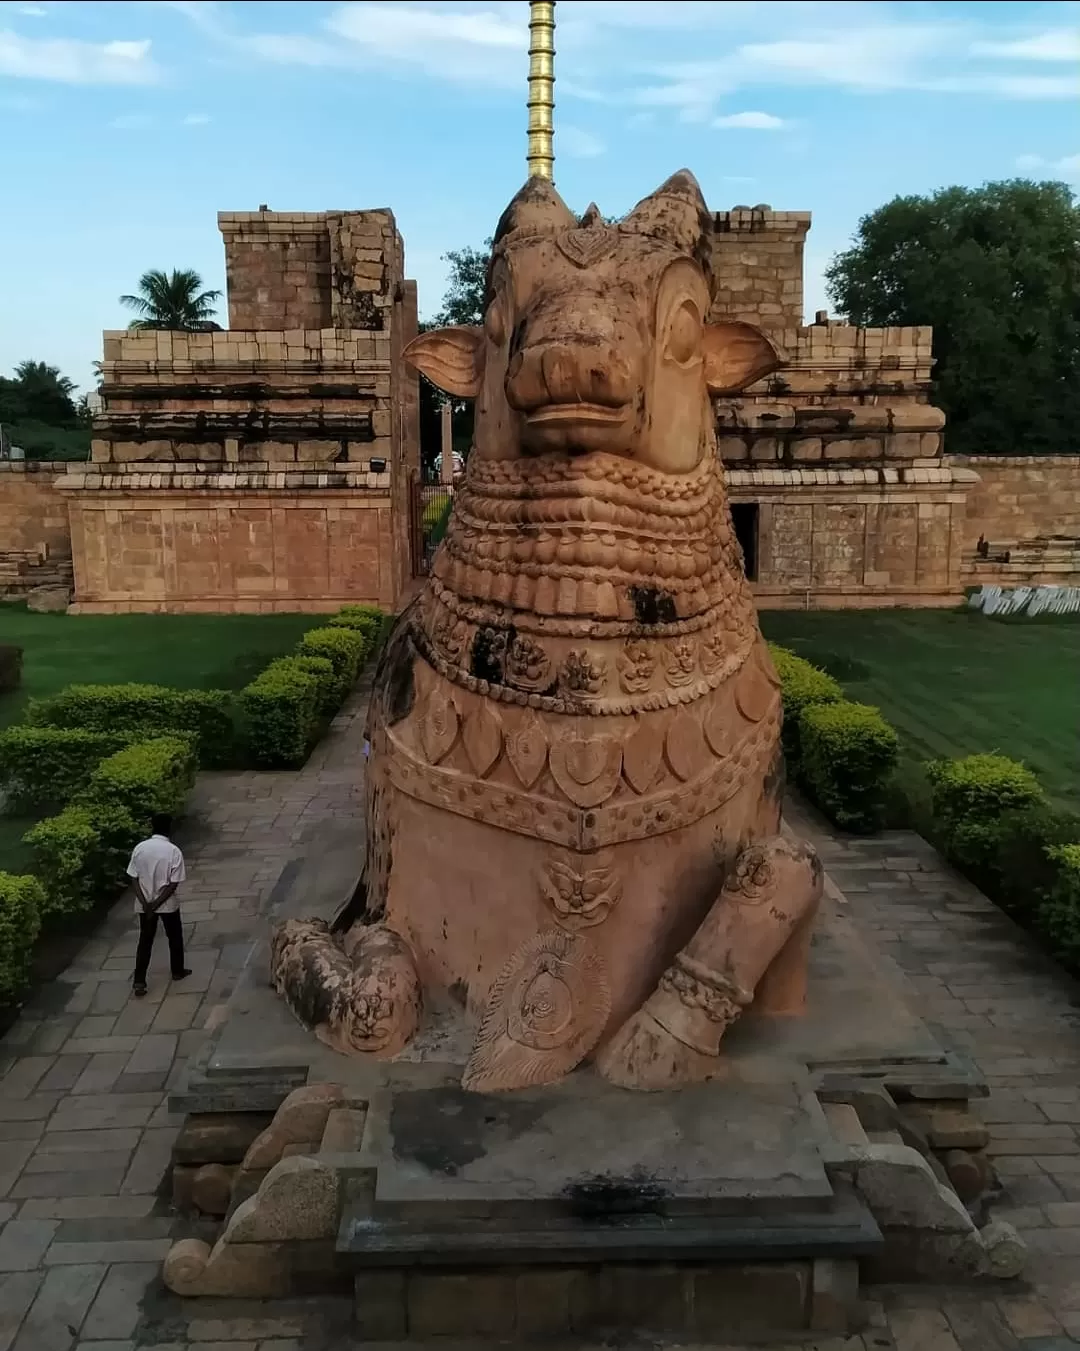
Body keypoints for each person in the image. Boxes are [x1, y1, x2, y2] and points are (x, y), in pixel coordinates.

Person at [128, 813, 191, 997]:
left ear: (151, 826)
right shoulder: (173, 851)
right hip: (166, 904)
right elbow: (173, 883)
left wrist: (146, 903)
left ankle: (139, 981)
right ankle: (177, 971)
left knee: (145, 941)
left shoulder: (140, 848)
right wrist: (156, 903)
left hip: (144, 903)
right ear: (168, 828)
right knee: (175, 937)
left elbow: (133, 877)